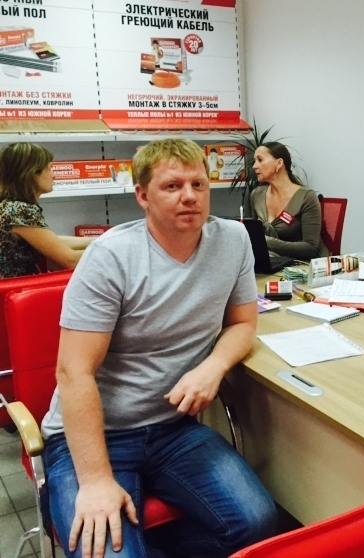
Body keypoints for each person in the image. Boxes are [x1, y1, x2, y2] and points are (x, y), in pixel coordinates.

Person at [41, 138, 277, 558]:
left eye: (198, 184)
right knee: (106, 549)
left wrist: (212, 367)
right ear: (142, 196)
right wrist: (95, 481)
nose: (190, 196)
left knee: (257, 524)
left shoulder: (233, 239)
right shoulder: (110, 257)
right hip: (97, 435)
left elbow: (244, 324)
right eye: (172, 186)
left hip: (173, 429)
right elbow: (73, 372)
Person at [0, 142, 92, 278]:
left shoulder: (8, 205)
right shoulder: (19, 210)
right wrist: (116, 251)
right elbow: (70, 260)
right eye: (49, 169)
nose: (54, 175)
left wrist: (99, 240)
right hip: (18, 288)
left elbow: (50, 241)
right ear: (32, 174)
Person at [249, 142, 328, 259]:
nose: (254, 166)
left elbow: (311, 248)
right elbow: (253, 233)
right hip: (270, 262)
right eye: (254, 161)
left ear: (279, 163)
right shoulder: (256, 195)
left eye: (260, 160)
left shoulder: (307, 197)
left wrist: (266, 242)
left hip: (301, 264)